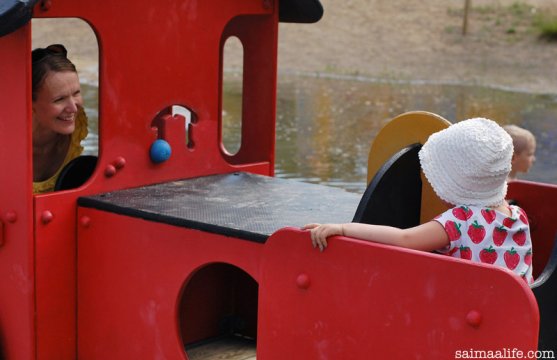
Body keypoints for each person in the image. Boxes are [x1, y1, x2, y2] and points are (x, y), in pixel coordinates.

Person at [304, 118, 533, 284]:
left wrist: (344, 229)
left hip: (472, 316)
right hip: (516, 315)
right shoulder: (518, 215)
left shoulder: (461, 221)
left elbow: (404, 239)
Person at [32, 44, 88, 194]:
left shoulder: (78, 126)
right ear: (29, 104)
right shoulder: (6, 143)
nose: (73, 108)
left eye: (76, 93)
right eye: (59, 99)